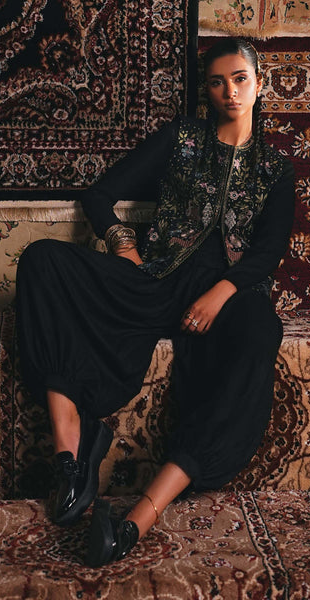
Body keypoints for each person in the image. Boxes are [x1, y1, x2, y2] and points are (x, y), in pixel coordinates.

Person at [15, 38, 295, 568]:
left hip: (232, 297)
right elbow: (99, 196)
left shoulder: (276, 171)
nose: (230, 91)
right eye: (217, 82)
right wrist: (124, 246)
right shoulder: (180, 139)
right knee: (42, 261)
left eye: (240, 79)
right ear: (206, 89)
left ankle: (135, 521)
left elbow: (268, 251)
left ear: (259, 83)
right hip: (157, 280)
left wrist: (220, 293)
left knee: (263, 331)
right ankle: (72, 452)